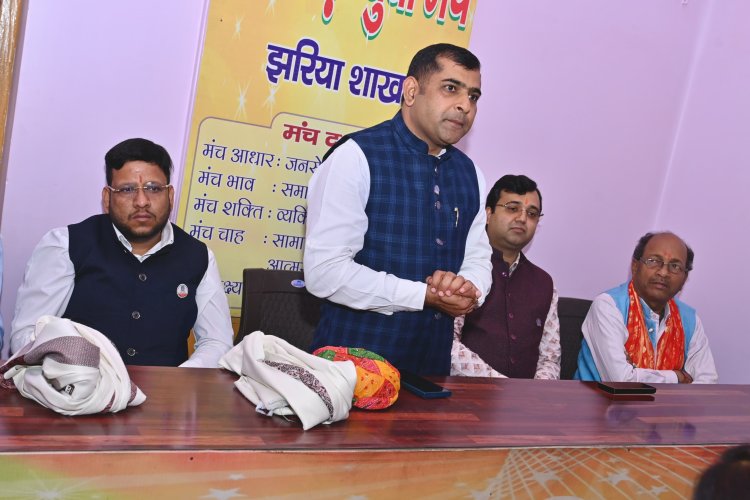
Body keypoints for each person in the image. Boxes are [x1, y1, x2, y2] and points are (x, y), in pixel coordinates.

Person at [303, 43, 492, 375]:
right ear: (411, 91)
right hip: (350, 375)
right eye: (451, 88)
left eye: (473, 96)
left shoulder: (470, 174)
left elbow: (477, 257)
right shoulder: (356, 157)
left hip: (431, 374)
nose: (465, 105)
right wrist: (423, 295)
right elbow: (325, 273)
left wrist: (468, 289)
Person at [9, 138, 233, 367]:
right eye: (127, 189)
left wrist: (178, 380)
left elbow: (217, 342)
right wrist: (78, 370)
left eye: (154, 189)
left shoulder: (198, 256)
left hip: (168, 389)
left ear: (170, 195)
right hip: (80, 386)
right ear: (107, 198)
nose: (142, 202)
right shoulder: (66, 246)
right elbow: (26, 338)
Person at [453, 175, 560, 379]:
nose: (522, 218)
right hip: (466, 393)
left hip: (528, 397)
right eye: (512, 208)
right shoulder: (463, 268)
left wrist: (534, 393)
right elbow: (447, 345)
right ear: (488, 214)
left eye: (532, 213)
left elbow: (550, 358)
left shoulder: (544, 283)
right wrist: (501, 387)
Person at [575, 231, 717, 383]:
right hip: (598, 399)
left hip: (667, 401)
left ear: (684, 279)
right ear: (635, 266)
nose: (663, 272)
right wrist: (677, 377)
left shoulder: (690, 320)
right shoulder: (608, 307)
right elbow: (621, 381)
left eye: (675, 266)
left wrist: (636, 373)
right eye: (654, 261)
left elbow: (708, 381)